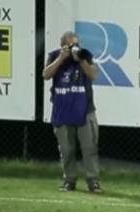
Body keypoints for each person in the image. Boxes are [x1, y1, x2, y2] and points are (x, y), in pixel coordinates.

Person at [43, 31, 102, 193]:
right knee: (66, 149)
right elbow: (46, 75)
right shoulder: (54, 56)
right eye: (71, 45)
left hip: (84, 111)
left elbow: (93, 75)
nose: (75, 47)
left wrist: (81, 60)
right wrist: (61, 59)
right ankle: (69, 180)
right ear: (63, 46)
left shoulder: (85, 56)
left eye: (76, 44)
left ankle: (93, 180)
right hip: (63, 110)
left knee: (89, 148)